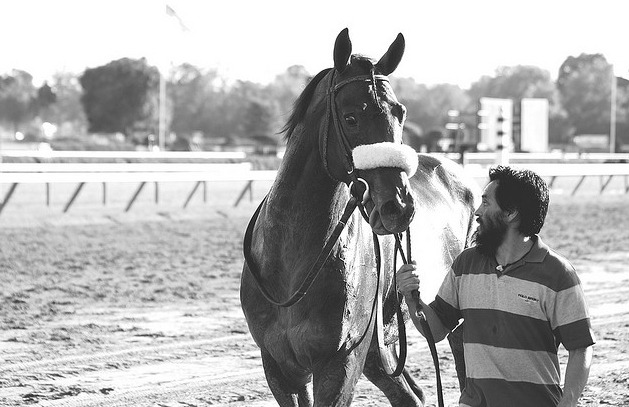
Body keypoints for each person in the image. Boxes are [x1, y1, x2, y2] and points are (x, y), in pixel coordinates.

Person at [397, 165, 595, 407]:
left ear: (511, 212)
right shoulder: (466, 264)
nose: (477, 211)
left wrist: (569, 402)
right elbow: (437, 331)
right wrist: (411, 298)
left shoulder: (558, 274)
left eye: (486, 203)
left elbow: (580, 347)